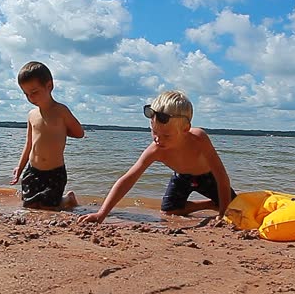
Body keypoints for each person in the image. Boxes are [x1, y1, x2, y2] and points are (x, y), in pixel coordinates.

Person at [78, 90, 235, 224]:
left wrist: (223, 213)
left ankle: (219, 205)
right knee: (168, 212)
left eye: (166, 135)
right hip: (182, 177)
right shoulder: (155, 150)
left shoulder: (199, 138)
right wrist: (101, 214)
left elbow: (221, 175)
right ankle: (208, 204)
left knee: (234, 207)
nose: (158, 139)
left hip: (207, 177)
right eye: (154, 132)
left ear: (186, 129)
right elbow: (128, 179)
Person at [11, 61, 84, 209]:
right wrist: (20, 167)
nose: (31, 97)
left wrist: (61, 130)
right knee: (29, 205)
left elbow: (79, 133)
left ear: (49, 86)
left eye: (34, 92)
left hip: (54, 171)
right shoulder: (32, 115)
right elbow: (29, 144)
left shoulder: (61, 111)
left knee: (50, 207)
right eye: (26, 94)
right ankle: (47, 199)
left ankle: (68, 199)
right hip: (33, 170)